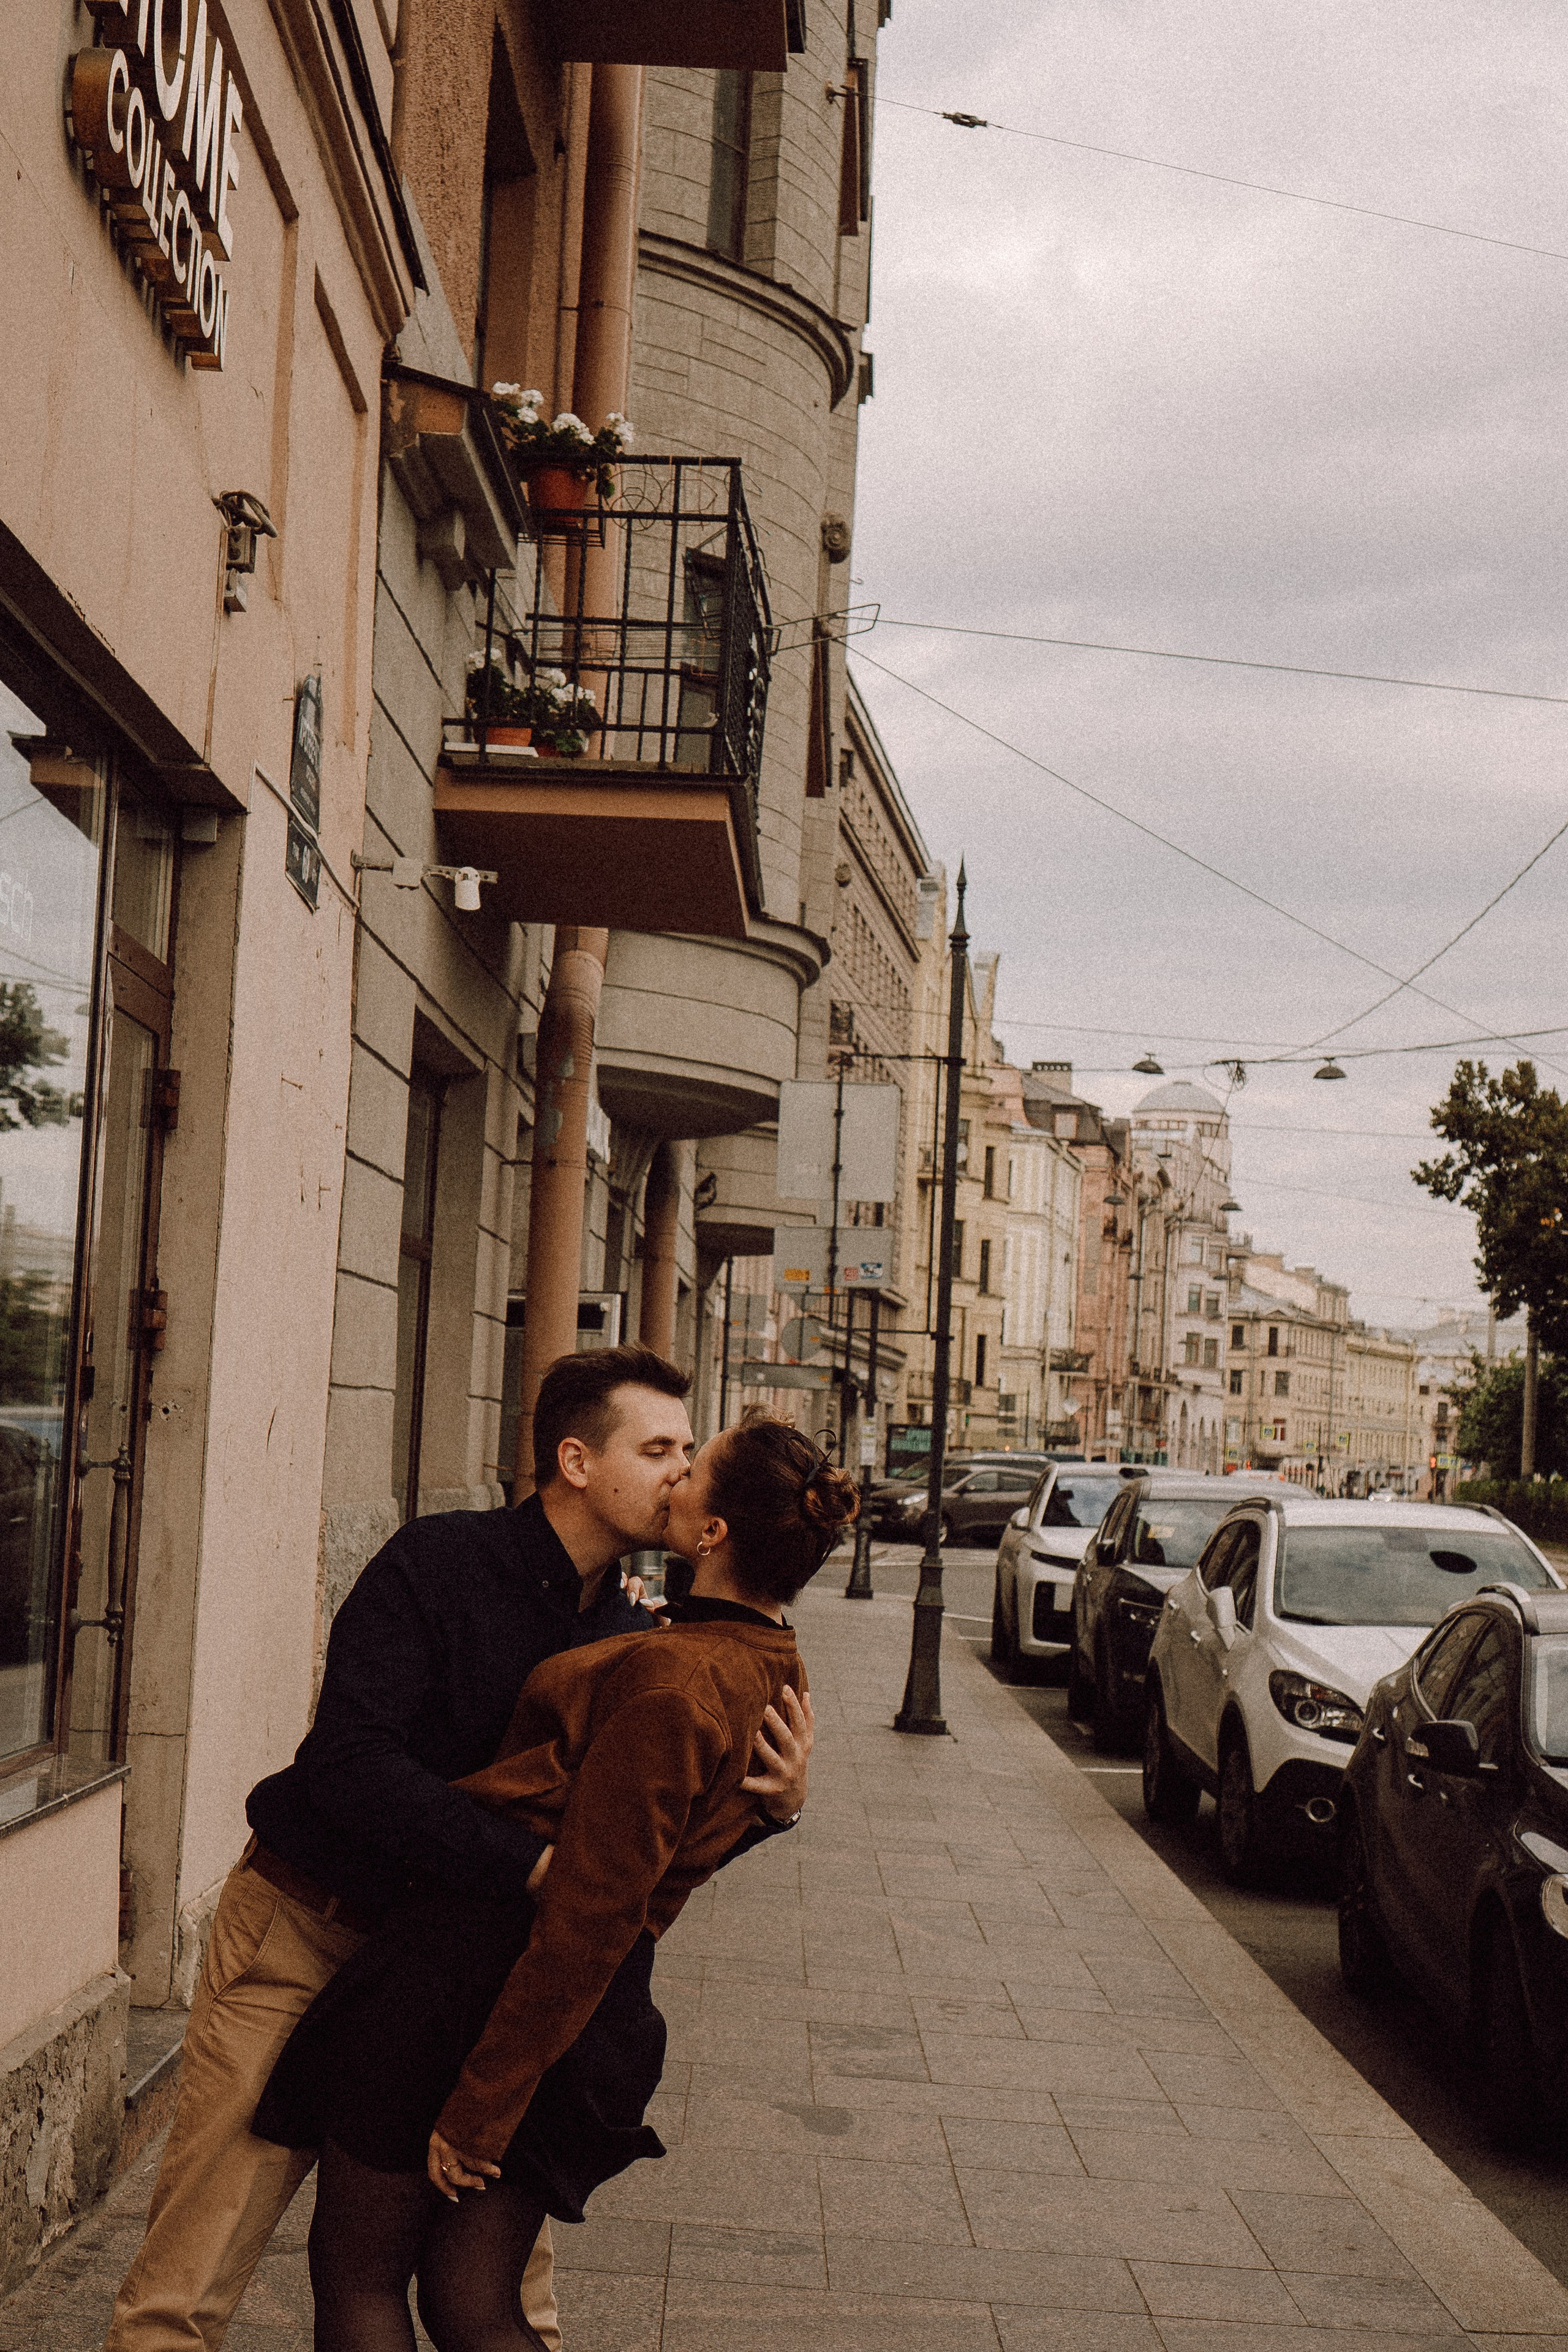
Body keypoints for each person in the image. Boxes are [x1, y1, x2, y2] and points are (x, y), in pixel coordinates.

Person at [104, 1348, 814, 2352]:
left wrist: (772, 1810)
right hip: (309, 1930)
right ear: (576, 1460)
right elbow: (350, 1763)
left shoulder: (634, 1632)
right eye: (658, 1448)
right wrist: (528, 1869)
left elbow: (636, 1855)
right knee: (195, 2272)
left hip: (458, 1981)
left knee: (503, 2299)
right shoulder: (437, 1562)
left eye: (688, 1451)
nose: (678, 1472)